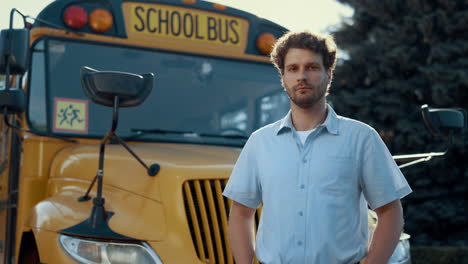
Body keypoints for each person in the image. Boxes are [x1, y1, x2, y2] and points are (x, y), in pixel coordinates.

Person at [223, 31, 412, 264]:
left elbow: (390, 211)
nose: (302, 76)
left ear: (328, 74)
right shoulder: (259, 142)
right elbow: (241, 213)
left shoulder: (362, 138)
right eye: (293, 69)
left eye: (312, 67)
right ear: (283, 77)